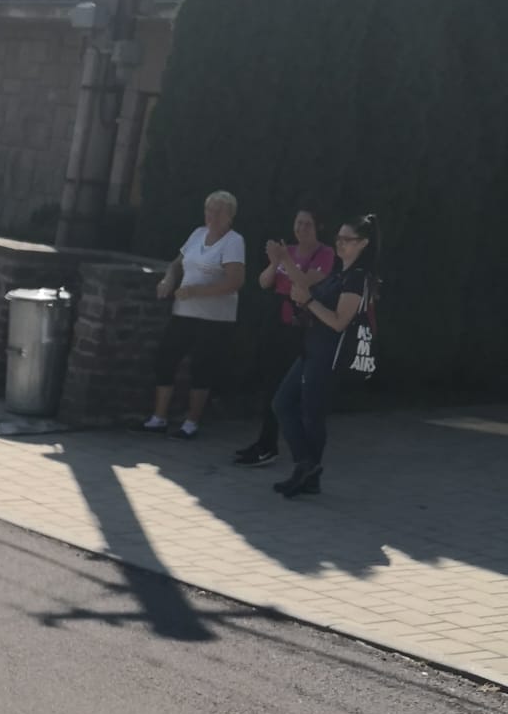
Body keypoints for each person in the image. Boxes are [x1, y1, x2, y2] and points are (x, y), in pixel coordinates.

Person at [267, 213, 379, 499]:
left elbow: (339, 321)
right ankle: (308, 469)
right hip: (313, 349)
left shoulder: (356, 279)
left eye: (348, 239)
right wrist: (304, 302)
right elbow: (316, 303)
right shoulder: (341, 273)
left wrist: (308, 302)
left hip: (329, 354)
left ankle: (306, 470)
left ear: (363, 243)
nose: (340, 244)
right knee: (285, 403)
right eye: (338, 238)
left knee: (310, 413)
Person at [140, 190, 246, 439]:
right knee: (165, 358)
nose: (212, 215)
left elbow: (235, 282)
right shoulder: (198, 233)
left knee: (202, 367)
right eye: (209, 210)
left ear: (229, 215)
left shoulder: (233, 241)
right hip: (184, 311)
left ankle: (191, 422)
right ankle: (159, 418)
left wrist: (196, 291)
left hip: (214, 317)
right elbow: (177, 263)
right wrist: (168, 279)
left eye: (218, 211)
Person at [234, 206, 335, 466]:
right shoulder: (287, 250)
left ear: (318, 227)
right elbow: (264, 282)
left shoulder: (324, 254)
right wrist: (275, 261)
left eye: (307, 224)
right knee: (269, 380)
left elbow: (304, 282)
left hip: (300, 324)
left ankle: (274, 444)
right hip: (276, 319)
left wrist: (285, 259)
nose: (301, 229)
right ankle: (266, 441)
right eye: (298, 223)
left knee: (283, 386)